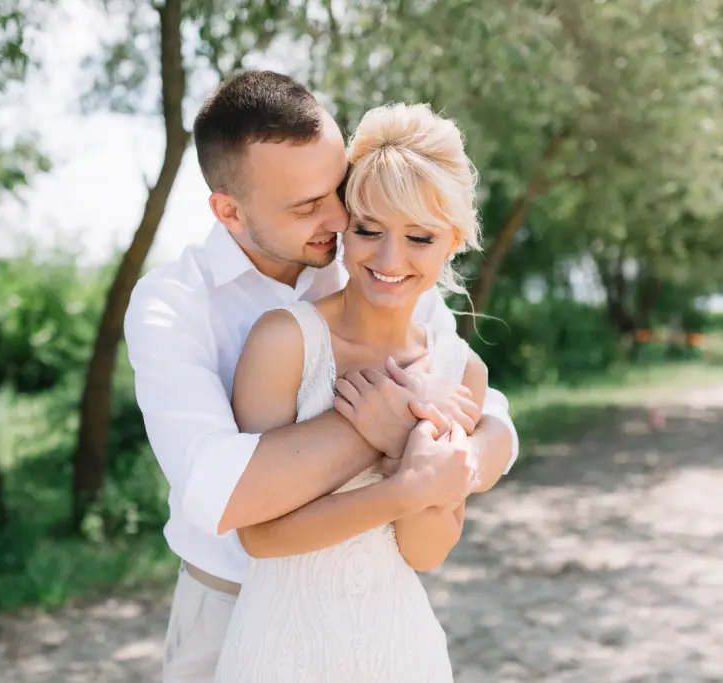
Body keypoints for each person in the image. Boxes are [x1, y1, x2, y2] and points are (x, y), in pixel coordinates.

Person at [123, 71, 518, 683]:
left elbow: (483, 408)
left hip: (376, 613)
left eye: (336, 189)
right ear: (229, 210)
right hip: (229, 605)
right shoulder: (173, 304)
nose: (339, 215)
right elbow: (222, 494)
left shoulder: (366, 259)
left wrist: (456, 456)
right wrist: (394, 423)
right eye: (308, 205)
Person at [214, 100, 481, 683]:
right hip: (280, 652)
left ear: (452, 241)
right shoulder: (285, 341)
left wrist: (398, 448)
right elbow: (260, 537)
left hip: (400, 652)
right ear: (345, 223)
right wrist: (405, 480)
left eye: (419, 237)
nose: (389, 259)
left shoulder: (462, 372)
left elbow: (426, 552)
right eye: (368, 230)